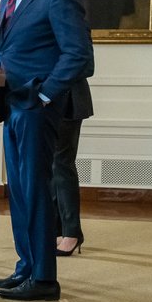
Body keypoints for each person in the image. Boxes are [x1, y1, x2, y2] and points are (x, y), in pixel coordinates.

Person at [0, 0, 93, 302]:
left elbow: (78, 55)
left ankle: (45, 279)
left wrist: (46, 94)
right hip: (11, 103)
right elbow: (4, 56)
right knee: (20, 191)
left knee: (36, 189)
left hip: (35, 106)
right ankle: (27, 267)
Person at [54, 72, 93, 256]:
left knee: (62, 165)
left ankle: (71, 233)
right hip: (52, 100)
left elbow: (79, 61)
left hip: (67, 100)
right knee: (54, 166)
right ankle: (59, 231)